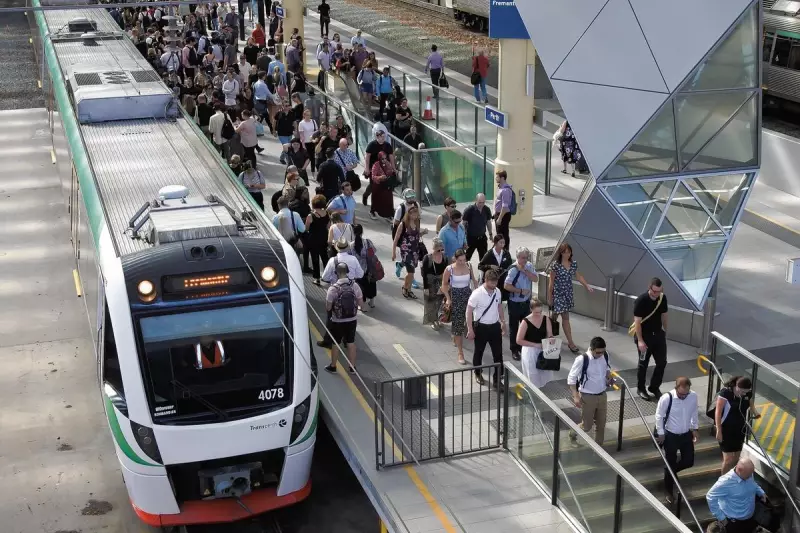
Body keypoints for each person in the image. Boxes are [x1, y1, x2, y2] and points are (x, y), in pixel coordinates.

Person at [655, 377, 699, 504]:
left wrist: (695, 428)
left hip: (686, 434)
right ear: (676, 388)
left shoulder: (693, 396)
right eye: (681, 394)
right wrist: (661, 433)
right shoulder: (667, 398)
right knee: (670, 461)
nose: (683, 397)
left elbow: (694, 412)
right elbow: (659, 416)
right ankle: (668, 491)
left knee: (689, 461)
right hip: (671, 435)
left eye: (686, 394)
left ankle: (670, 472)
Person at [548, 243, 593, 355]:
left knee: (556, 316)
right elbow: (551, 282)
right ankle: (570, 342)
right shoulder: (556, 265)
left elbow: (578, 276)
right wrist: (550, 297)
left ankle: (551, 333)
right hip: (558, 294)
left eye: (569, 252)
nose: (567, 254)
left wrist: (586, 285)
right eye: (565, 252)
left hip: (567, 294)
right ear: (561, 253)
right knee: (563, 317)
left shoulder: (573, 264)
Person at [567, 337, 611, 445]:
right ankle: (573, 433)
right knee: (587, 426)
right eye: (598, 352)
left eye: (603, 351)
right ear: (591, 349)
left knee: (601, 424)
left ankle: (599, 449)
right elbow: (571, 378)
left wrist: (608, 378)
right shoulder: (582, 359)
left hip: (602, 394)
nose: (600, 354)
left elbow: (607, 368)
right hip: (587, 396)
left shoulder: (605, 355)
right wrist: (576, 396)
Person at [466, 269, 506, 389]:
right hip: (481, 327)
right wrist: (470, 329)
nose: (494, 285)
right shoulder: (477, 293)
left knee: (498, 354)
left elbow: (499, 306)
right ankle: (478, 373)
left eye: (496, 282)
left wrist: (503, 321)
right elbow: (469, 311)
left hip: (495, 326)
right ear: (486, 280)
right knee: (479, 352)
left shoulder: (497, 291)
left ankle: (497, 379)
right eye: (492, 282)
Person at [714, 376, 760, 475]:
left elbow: (751, 404)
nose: (743, 394)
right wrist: (718, 430)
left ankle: (732, 477)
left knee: (736, 457)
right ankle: (723, 480)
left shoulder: (748, 393)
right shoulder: (726, 393)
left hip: (739, 428)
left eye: (746, 392)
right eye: (742, 391)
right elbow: (718, 412)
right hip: (726, 429)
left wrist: (755, 413)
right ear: (737, 386)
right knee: (728, 459)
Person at [706, 458, 767, 533]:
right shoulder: (726, 481)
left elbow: (753, 484)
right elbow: (710, 496)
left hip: (750, 518)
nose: (750, 476)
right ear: (740, 470)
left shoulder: (747, 473)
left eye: (751, 473)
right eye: (748, 475)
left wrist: (760, 492)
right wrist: (721, 517)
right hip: (734, 523)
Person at [323, 262, 363, 375]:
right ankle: (352, 368)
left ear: (336, 273)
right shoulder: (355, 286)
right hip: (352, 320)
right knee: (351, 342)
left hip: (337, 321)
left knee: (336, 343)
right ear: (347, 272)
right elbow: (361, 304)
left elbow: (328, 307)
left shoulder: (333, 289)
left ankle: (333, 366)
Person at [633, 277, 669, 401]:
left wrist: (665, 331)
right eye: (654, 291)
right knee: (643, 364)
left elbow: (664, 315)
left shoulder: (662, 298)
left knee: (662, 362)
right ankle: (641, 388)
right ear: (649, 288)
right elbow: (637, 322)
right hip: (645, 335)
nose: (656, 294)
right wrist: (640, 340)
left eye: (659, 291)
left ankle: (654, 387)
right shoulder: (641, 300)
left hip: (658, 334)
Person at [441, 248, 475, 365]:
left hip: (467, 295)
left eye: (464, 260)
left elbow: (474, 280)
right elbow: (444, 285)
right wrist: (448, 299)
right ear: (455, 259)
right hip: (455, 297)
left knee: (468, 320)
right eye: (460, 260)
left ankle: (456, 335)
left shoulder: (468, 266)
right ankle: (460, 352)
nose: (462, 262)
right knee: (458, 324)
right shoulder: (449, 269)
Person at [505, 247, 538, 361]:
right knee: (514, 327)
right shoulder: (513, 270)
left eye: (526, 257)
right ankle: (514, 349)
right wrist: (520, 291)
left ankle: (524, 347)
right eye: (523, 258)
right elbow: (506, 286)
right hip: (514, 302)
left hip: (526, 302)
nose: (525, 260)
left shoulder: (529, 266)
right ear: (518, 257)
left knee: (526, 326)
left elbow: (535, 279)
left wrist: (525, 271)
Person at [516, 299, 554, 387]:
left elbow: (550, 334)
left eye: (540, 312)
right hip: (530, 351)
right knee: (532, 376)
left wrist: (551, 339)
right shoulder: (525, 321)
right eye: (536, 312)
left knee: (544, 374)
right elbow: (518, 340)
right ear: (531, 309)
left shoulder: (546, 319)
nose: (538, 314)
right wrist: (536, 345)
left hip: (543, 349)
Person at [392, 203, 426, 300]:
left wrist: (423, 233)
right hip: (406, 250)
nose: (414, 216)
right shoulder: (403, 224)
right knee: (410, 272)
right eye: (413, 214)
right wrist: (393, 252)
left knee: (412, 272)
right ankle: (405, 287)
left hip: (415, 250)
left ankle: (409, 290)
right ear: (409, 214)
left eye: (416, 214)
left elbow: (417, 235)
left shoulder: (417, 222)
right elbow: (396, 238)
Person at [422, 238, 448, 330]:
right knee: (431, 303)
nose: (440, 252)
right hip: (430, 283)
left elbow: (446, 272)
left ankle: (436, 318)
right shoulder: (427, 258)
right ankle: (432, 321)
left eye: (442, 249)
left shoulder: (444, 257)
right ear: (434, 248)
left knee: (439, 302)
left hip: (440, 282)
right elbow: (424, 274)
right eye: (438, 250)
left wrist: (445, 285)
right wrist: (426, 288)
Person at [304, 194, 330, 285]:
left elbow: (306, 228)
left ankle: (317, 278)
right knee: (325, 257)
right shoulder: (327, 214)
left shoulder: (310, 216)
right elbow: (328, 227)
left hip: (313, 239)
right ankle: (328, 276)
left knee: (315, 259)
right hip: (324, 238)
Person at [352, 224, 377, 310]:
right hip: (368, 268)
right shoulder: (367, 242)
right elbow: (374, 251)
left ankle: (361, 304)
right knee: (371, 283)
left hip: (357, 270)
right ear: (362, 232)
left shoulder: (351, 245)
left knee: (360, 286)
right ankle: (372, 302)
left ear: (353, 233)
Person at [462, 193, 493, 261]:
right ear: (475, 200)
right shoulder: (469, 210)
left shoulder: (486, 209)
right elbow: (463, 224)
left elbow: (488, 222)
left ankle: (482, 268)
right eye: (479, 202)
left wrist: (490, 234)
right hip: (471, 238)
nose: (481, 204)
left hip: (482, 238)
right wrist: (463, 238)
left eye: (483, 202)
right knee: (466, 257)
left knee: (484, 259)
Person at [370, 152, 397, 219]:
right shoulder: (376, 165)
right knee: (376, 200)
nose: (384, 160)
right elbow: (373, 176)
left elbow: (390, 172)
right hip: (378, 185)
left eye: (385, 158)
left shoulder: (388, 163)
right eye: (382, 159)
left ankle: (388, 215)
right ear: (379, 158)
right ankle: (373, 212)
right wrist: (380, 177)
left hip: (386, 184)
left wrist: (392, 172)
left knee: (388, 200)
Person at [493, 169, 513, 249]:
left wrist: (499, 218)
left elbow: (505, 206)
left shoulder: (505, 190)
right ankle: (500, 249)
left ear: (502, 178)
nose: (496, 178)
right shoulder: (501, 188)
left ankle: (504, 250)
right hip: (499, 214)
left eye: (497, 177)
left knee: (503, 235)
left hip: (503, 215)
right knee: (500, 234)